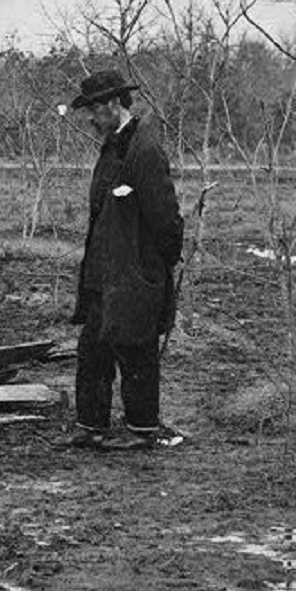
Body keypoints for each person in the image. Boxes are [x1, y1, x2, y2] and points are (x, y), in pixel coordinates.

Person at [64, 69, 185, 450]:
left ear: (115, 104)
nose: (90, 118)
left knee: (136, 351)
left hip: (133, 274)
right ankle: (90, 427)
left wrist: (155, 267)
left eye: (94, 109)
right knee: (93, 352)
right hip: (103, 273)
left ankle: (142, 431)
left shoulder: (144, 149)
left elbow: (166, 218)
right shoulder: (112, 146)